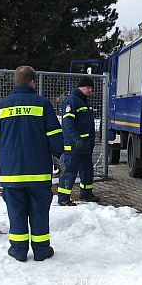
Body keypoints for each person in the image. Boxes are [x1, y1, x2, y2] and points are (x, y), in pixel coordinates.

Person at [0, 66, 64, 262]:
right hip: (38, 172)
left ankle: (18, 250)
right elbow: (54, 134)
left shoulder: (2, 105)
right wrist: (57, 156)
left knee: (16, 211)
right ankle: (41, 250)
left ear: (16, 82)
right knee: (39, 211)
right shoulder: (43, 104)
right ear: (33, 82)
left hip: (12, 172)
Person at [57, 76, 100, 206]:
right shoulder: (72, 101)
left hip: (85, 146)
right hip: (74, 145)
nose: (91, 90)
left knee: (87, 170)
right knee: (69, 171)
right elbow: (68, 123)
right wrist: (76, 138)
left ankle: (86, 193)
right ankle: (63, 198)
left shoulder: (84, 102)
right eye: (89, 87)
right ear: (81, 87)